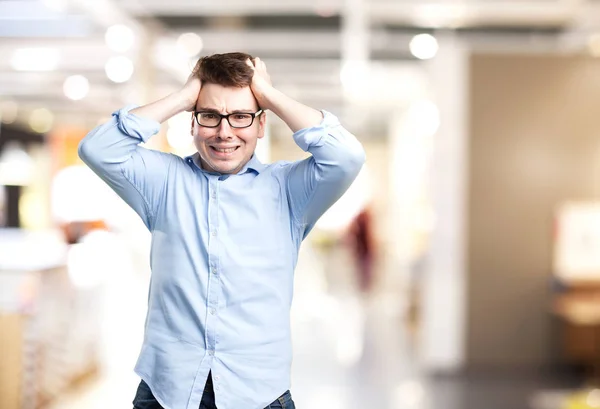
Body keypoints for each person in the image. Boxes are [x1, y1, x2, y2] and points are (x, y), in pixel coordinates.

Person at [78, 52, 365, 409]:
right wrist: (184, 97)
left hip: (258, 395)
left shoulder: (290, 190)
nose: (224, 132)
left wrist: (269, 95)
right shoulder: (163, 182)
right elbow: (97, 148)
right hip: (167, 393)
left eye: (241, 116)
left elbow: (346, 156)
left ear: (261, 125)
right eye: (210, 115)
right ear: (193, 123)